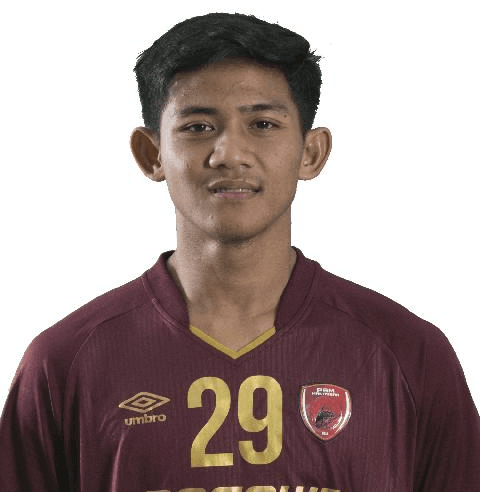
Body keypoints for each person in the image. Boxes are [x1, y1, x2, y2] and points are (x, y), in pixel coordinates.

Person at [0, 12, 478, 492]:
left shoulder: (408, 355)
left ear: (311, 152)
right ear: (152, 154)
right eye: (198, 126)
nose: (229, 153)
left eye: (263, 123)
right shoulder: (63, 364)